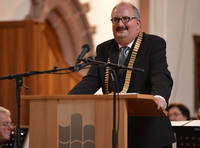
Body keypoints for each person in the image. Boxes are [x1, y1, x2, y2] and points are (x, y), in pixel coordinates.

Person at [69, 2, 175, 148]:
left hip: (149, 133)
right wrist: (66, 101)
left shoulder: (153, 44)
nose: (120, 24)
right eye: (116, 20)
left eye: (126, 19)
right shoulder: (104, 48)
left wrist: (159, 97)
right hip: (114, 131)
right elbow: (91, 81)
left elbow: (160, 74)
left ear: (138, 23)